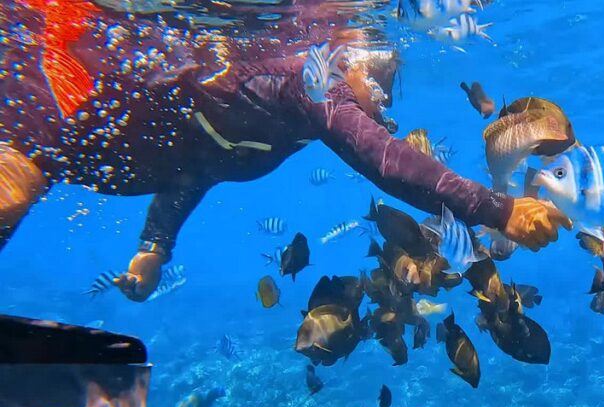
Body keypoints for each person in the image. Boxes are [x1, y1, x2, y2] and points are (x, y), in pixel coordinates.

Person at [0, 1, 569, 301]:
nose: (385, 96)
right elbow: (384, 160)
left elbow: (199, 165)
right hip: (73, 117)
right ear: (347, 60)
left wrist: (153, 248)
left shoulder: (298, 121)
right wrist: (499, 210)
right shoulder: (309, 85)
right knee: (12, 184)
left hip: (98, 154)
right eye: (381, 75)